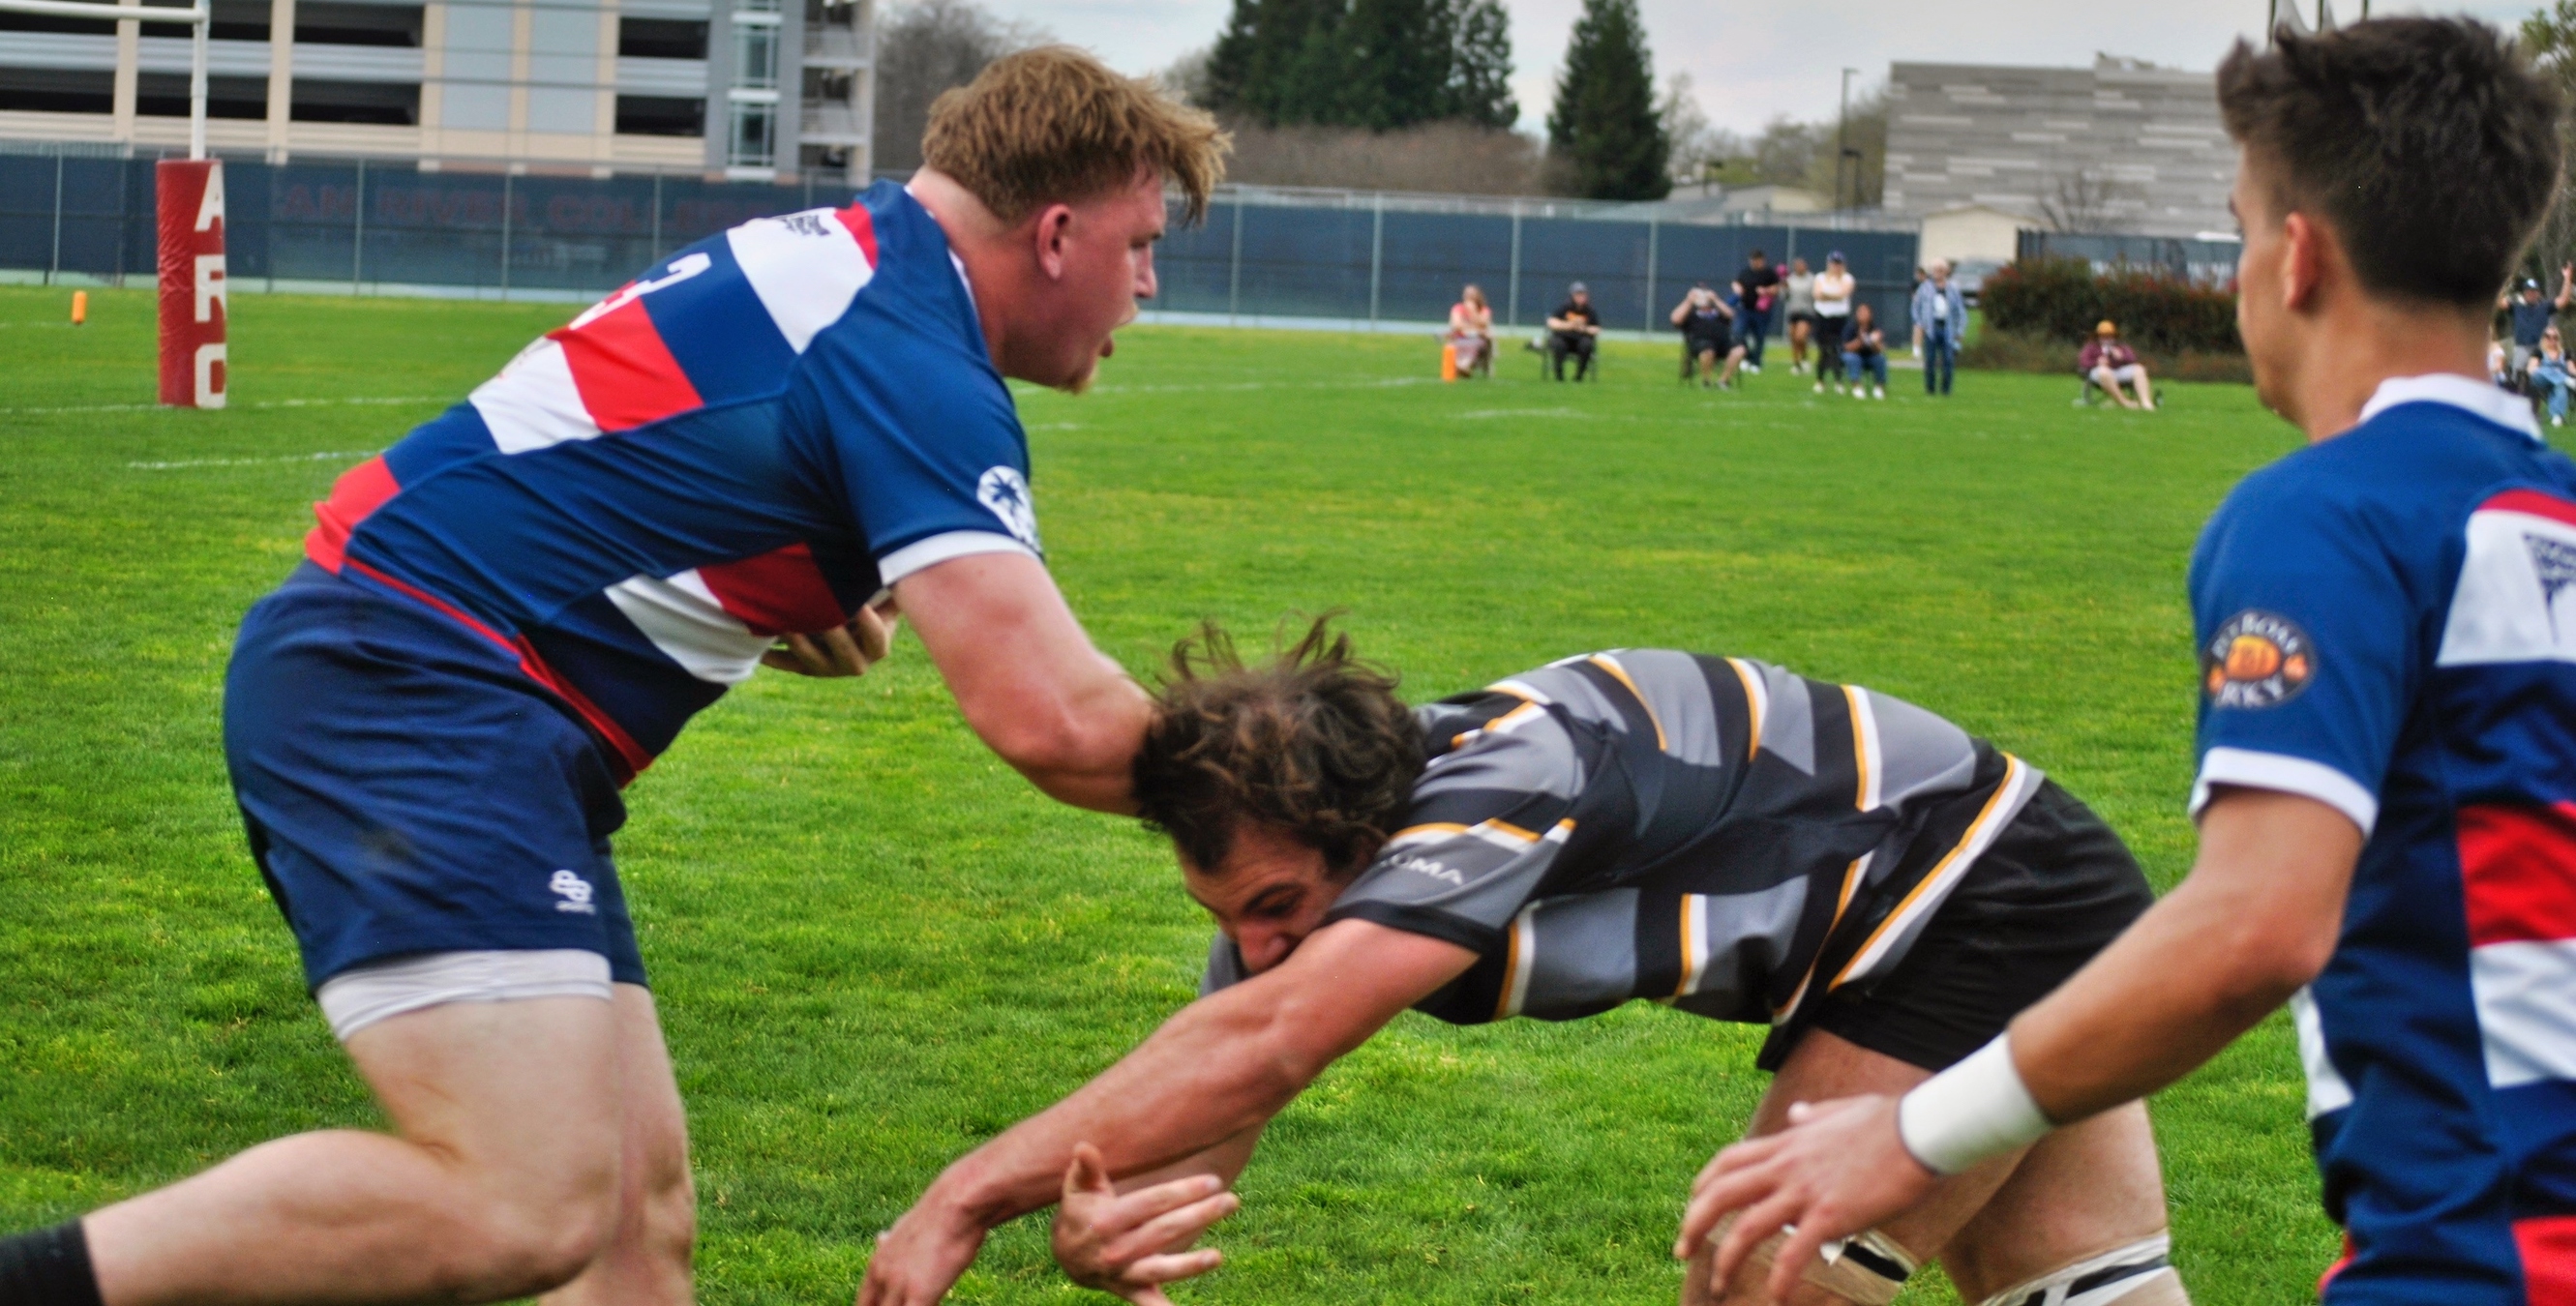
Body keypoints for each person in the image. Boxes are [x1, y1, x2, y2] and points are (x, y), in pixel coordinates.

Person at [0, 47, 1228, 1306]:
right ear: (1056, 233)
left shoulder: (864, 264)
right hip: (414, 682)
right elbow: (1054, 720)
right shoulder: (903, 341)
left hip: (443, 688)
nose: (1146, 282)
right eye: (1140, 244)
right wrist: (1299, 794)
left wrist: (786, 588)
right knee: (524, 1200)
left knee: (630, 1235)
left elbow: (662, 473)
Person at [1680, 19, 2576, 1306]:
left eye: (2240, 230)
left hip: (2488, 1259)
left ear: (2298, 255)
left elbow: (2255, 925)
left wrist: (1913, 1131)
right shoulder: (2547, 514)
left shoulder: (2327, 518)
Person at [857, 625, 2190, 1306]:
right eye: (1228, 914)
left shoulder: (1510, 775)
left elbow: (1262, 1045)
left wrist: (962, 1198)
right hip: (2004, 888)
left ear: (1368, 835)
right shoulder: (1311, 894)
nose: (1255, 948)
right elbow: (1215, 1105)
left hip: (1982, 892)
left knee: (1762, 1271)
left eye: (1271, 907)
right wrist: (1106, 1222)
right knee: (2085, 1290)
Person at [2496, 263, 2572, 375]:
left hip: (2541, 348)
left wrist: (2567, 278)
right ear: (2524, 293)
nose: (2531, 293)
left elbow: (2563, 300)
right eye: (2528, 291)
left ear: (2538, 293)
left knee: (2542, 376)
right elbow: (2499, 302)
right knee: (2517, 376)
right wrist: (2504, 281)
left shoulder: (2545, 306)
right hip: (2522, 347)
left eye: (2534, 291)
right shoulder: (2516, 307)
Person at [1674, 281, 1745, 389]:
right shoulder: (1690, 311)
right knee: (1708, 349)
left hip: (1722, 343)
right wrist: (1689, 301)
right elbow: (1675, 319)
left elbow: (1731, 315)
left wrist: (1716, 300)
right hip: (1700, 342)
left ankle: (1723, 381)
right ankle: (1706, 381)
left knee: (1739, 349)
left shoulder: (1718, 310)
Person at [1911, 259, 1965, 398]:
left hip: (1948, 329)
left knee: (1948, 360)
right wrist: (1920, 323)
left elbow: (1960, 311)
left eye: (1941, 270)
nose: (1938, 273)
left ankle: (1946, 390)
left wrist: (1959, 331)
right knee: (1930, 360)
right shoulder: (1924, 288)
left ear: (1946, 272)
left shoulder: (1953, 289)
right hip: (1931, 328)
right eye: (1935, 270)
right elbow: (1916, 308)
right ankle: (1930, 389)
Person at [2080, 319, 2157, 410]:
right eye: (2103, 336)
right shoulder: (2091, 347)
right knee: (2104, 371)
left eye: (2109, 336)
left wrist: (2122, 357)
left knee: (2139, 369)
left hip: (2118, 371)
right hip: (2099, 373)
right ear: (2098, 336)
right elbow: (2083, 363)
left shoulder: (2121, 346)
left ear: (2114, 336)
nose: (2107, 339)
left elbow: (2133, 359)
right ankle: (2124, 402)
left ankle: (2146, 402)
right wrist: (2097, 362)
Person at [1812, 253, 1856, 395]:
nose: (1836, 267)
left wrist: (1827, 295)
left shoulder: (1847, 278)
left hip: (1839, 319)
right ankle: (1820, 380)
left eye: (1838, 264)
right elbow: (1817, 295)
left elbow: (1843, 294)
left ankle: (1838, 381)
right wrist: (1833, 295)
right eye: (1833, 263)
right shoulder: (1820, 277)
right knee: (1823, 350)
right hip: (1822, 317)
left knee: (1836, 349)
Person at [1733, 249, 1782, 373]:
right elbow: (1737, 283)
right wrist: (1737, 288)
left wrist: (1766, 291)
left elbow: (1776, 289)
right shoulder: (1745, 272)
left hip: (1761, 311)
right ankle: (1747, 356)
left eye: (1757, 260)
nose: (1754, 263)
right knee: (1738, 333)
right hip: (1745, 309)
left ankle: (1756, 362)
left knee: (1759, 337)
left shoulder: (1769, 273)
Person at [1546, 282, 1603, 380]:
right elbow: (1551, 322)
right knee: (1558, 344)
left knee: (1587, 345)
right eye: (1578, 294)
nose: (1581, 297)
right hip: (1564, 339)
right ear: (1572, 296)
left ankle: (1579, 376)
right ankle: (1559, 375)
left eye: (1583, 294)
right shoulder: (1564, 308)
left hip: (1580, 341)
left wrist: (1584, 329)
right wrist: (1569, 326)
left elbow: (1597, 329)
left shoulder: (1590, 311)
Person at [2527, 323, 2570, 427]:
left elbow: (2571, 369)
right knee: (2544, 370)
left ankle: (2557, 416)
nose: (2551, 340)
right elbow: (2530, 369)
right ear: (2544, 338)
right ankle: (2565, 379)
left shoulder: (2565, 353)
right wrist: (2548, 371)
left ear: (2558, 339)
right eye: (2548, 336)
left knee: (2560, 385)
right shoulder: (2539, 352)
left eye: (2555, 337)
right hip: (2541, 380)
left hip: (2556, 383)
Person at [1842, 302, 1888, 400]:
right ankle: (1857, 386)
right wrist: (1860, 340)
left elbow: (1880, 349)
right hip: (1854, 354)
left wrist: (1875, 342)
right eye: (1861, 312)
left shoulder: (1874, 328)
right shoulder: (1851, 327)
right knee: (1853, 359)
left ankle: (1879, 387)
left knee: (1880, 359)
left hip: (1869, 356)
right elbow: (1846, 347)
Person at [1447, 283, 1493, 378]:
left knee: (1474, 345)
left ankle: (1462, 366)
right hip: (1460, 338)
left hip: (1477, 340)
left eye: (1471, 294)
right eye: (1466, 294)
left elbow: (1484, 324)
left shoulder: (1484, 310)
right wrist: (1473, 327)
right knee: (1453, 345)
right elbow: (1456, 325)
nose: (1468, 297)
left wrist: (1472, 312)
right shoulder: (1458, 308)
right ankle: (1461, 367)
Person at [1783, 256, 1818, 375]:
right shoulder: (1790, 279)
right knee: (1793, 338)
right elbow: (1785, 297)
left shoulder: (1812, 279)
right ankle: (1796, 363)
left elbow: (1815, 295)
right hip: (1793, 311)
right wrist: (1785, 288)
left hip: (1806, 312)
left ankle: (1804, 357)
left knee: (1800, 337)